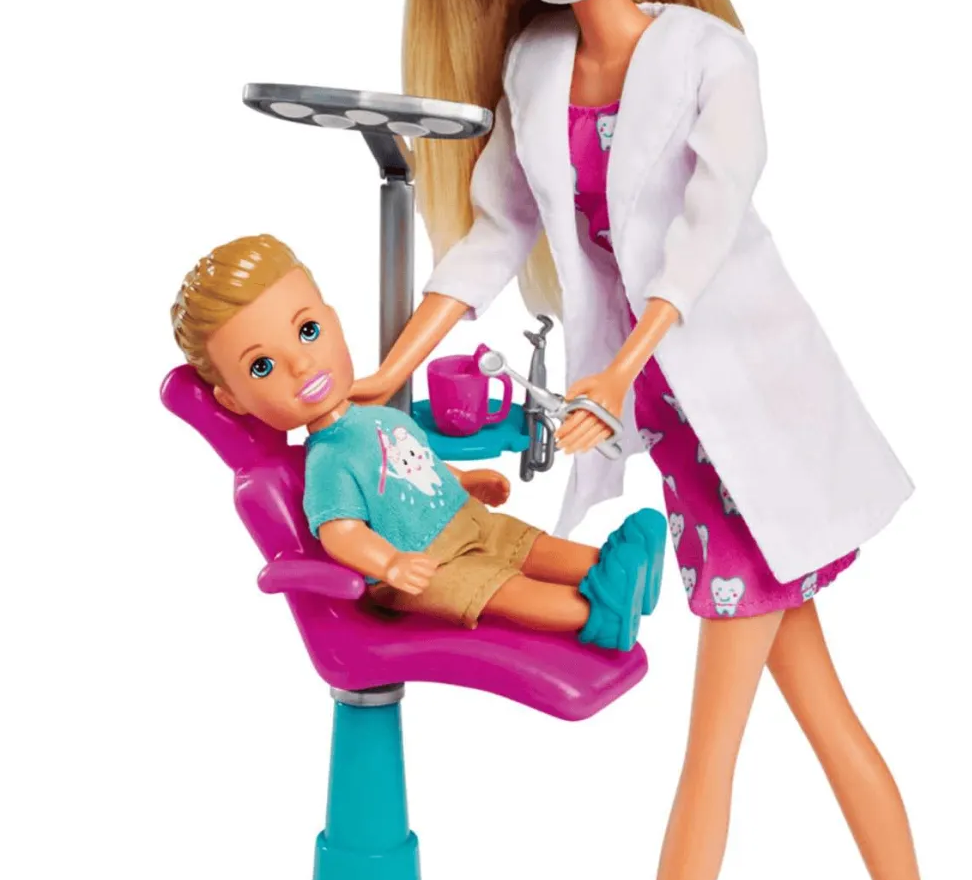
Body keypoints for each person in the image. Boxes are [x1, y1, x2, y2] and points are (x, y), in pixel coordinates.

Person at [351, 0, 972, 880]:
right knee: (832, 731)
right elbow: (498, 229)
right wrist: (398, 365)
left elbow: (699, 238)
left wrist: (615, 373)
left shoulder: (708, 55)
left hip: (755, 426)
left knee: (712, 759)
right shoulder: (529, 71)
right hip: (689, 457)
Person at [171, 232, 665, 646]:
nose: (301, 364)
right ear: (233, 400)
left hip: (465, 519)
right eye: (262, 366)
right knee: (504, 588)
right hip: (428, 567)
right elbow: (341, 531)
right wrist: (390, 564)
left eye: (308, 330)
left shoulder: (379, 417)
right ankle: (596, 616)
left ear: (333, 320)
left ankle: (619, 571)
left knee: (528, 545)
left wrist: (465, 480)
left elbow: (415, 463)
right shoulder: (328, 460)